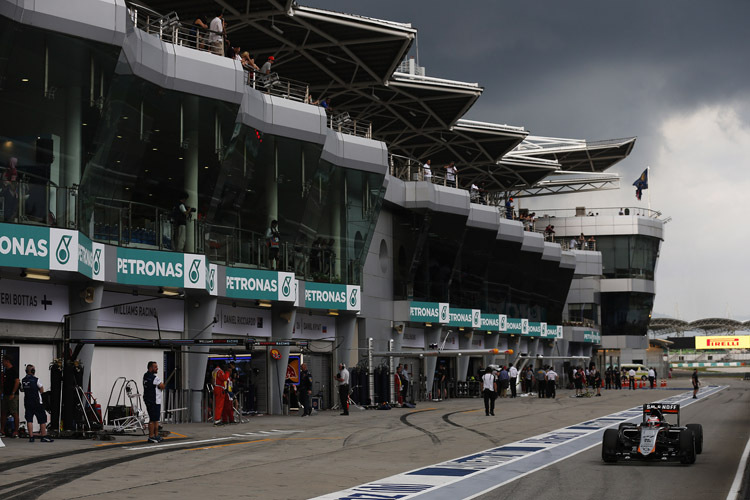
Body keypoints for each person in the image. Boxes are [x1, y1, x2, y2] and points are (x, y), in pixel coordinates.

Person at [21, 365, 52, 443]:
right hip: (37, 402)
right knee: (42, 419)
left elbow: (22, 389)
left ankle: (31, 437)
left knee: (29, 419)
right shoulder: (36, 380)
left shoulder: (23, 380)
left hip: (27, 402)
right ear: (33, 371)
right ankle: (43, 436)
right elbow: (41, 389)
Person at [142, 361, 165, 443]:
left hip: (148, 399)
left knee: (155, 419)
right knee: (153, 419)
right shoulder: (154, 377)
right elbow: (162, 386)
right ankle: (151, 436)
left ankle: (156, 435)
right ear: (151, 368)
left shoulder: (145, 375)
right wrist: (161, 386)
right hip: (154, 400)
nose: (157, 368)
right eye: (155, 367)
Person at [1, 357, 20, 438]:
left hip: (13, 395)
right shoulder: (6, 372)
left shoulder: (13, 370)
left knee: (14, 412)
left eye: (3, 361)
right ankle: (2, 430)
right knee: (4, 412)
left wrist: (13, 393)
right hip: (5, 395)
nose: (2, 363)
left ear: (7, 361)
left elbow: (17, 382)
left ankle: (16, 431)